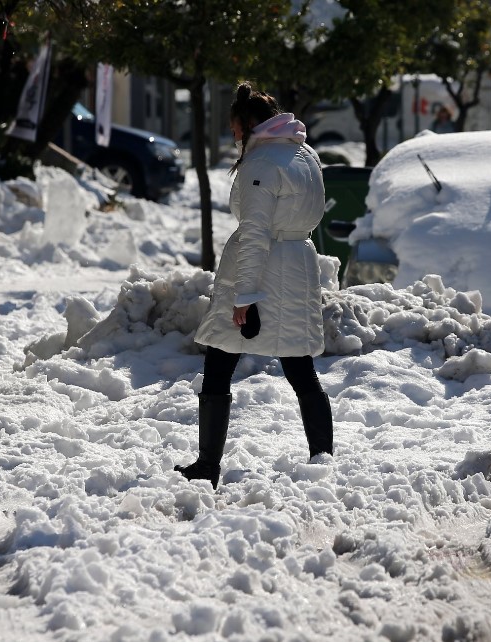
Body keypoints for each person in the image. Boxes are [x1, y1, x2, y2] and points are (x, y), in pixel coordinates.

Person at [175, 82, 333, 489]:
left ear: (247, 125)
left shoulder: (261, 164)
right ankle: (323, 461)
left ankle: (208, 465)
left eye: (234, 129)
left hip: (264, 270)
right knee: (301, 369)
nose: (233, 138)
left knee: (219, 361)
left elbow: (255, 233)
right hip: (298, 265)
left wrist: (245, 296)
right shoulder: (305, 154)